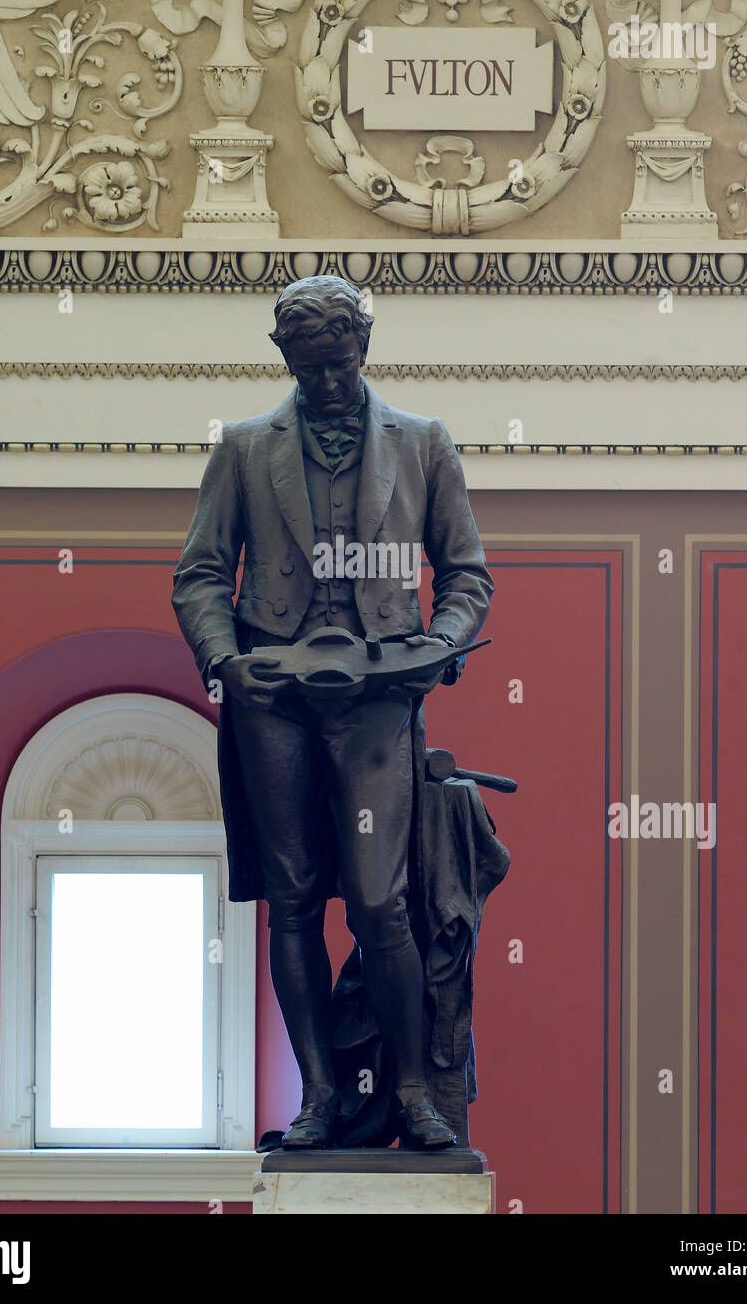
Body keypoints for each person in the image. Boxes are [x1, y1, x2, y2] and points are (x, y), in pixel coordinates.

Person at [172, 275, 493, 1149]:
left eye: (340, 365)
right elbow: (201, 574)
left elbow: (466, 575)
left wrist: (444, 644)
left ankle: (417, 1091)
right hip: (273, 694)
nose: (325, 384)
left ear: (365, 350)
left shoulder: (423, 444)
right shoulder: (243, 449)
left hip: (380, 693)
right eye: (308, 368)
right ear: (285, 358)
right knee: (292, 898)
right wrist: (226, 664)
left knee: (382, 903)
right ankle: (318, 1095)